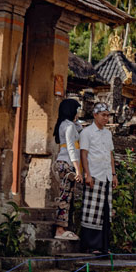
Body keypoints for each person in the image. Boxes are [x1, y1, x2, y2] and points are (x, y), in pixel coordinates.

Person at [79, 102, 116, 254]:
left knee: (105, 211)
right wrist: (87, 174)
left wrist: (114, 174)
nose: (106, 118)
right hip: (94, 174)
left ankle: (104, 246)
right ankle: (91, 245)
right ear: (95, 115)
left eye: (108, 115)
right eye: (103, 115)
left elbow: (110, 154)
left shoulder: (108, 134)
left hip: (106, 175)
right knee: (92, 211)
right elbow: (84, 154)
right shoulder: (87, 132)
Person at [52, 99, 83, 241]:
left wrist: (76, 121)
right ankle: (60, 229)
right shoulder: (69, 126)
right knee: (65, 197)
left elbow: (80, 130)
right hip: (67, 163)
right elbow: (71, 148)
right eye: (76, 110)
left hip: (64, 162)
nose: (78, 112)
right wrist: (78, 170)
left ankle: (63, 227)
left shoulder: (65, 124)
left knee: (66, 195)